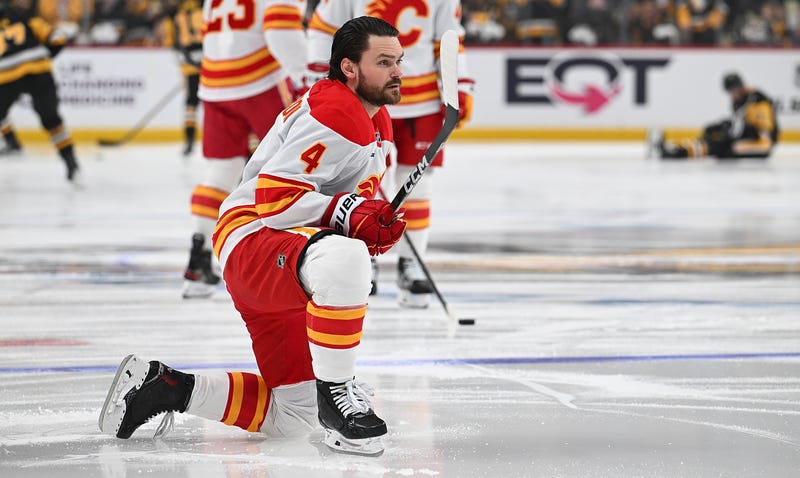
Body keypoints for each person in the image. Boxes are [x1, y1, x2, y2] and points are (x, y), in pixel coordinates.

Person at [99, 16, 406, 456]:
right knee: (346, 260)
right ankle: (338, 396)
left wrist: (365, 219)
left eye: (399, 60)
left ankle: (164, 386)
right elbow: (274, 196)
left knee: (294, 417)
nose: (398, 71)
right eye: (384, 61)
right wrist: (347, 214)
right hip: (255, 237)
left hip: (281, 252)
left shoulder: (374, 120)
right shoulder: (339, 112)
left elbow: (340, 208)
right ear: (349, 69)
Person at [307, 0, 474, 308]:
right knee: (360, 181)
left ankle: (412, 263)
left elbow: (449, 39)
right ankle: (362, 256)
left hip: (421, 98)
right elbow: (322, 27)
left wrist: (459, 83)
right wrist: (320, 73)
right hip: (364, 95)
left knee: (418, 185)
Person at [182, 0, 308, 299]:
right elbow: (281, 30)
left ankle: (198, 257)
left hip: (215, 82)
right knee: (293, 165)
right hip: (260, 78)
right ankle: (291, 259)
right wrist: (308, 75)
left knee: (220, 171)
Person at [0, 1, 80, 181]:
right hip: (39, 70)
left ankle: (12, 142)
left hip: (6, 76)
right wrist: (47, 55)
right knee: (52, 120)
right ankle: (70, 160)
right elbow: (58, 37)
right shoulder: (24, 17)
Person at [649, 72, 779, 160]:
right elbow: (739, 125)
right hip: (750, 139)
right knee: (717, 141)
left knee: (723, 146)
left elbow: (763, 132)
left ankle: (677, 152)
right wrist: (724, 126)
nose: (732, 95)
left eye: (733, 91)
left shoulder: (757, 100)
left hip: (762, 145)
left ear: (739, 87)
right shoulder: (741, 100)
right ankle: (677, 149)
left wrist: (729, 130)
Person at [159, 0, 203, 157]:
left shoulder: (173, 13)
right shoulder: (204, 6)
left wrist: (184, 62)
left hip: (189, 62)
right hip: (209, 62)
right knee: (217, 103)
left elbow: (170, 41)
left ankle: (189, 140)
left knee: (191, 103)